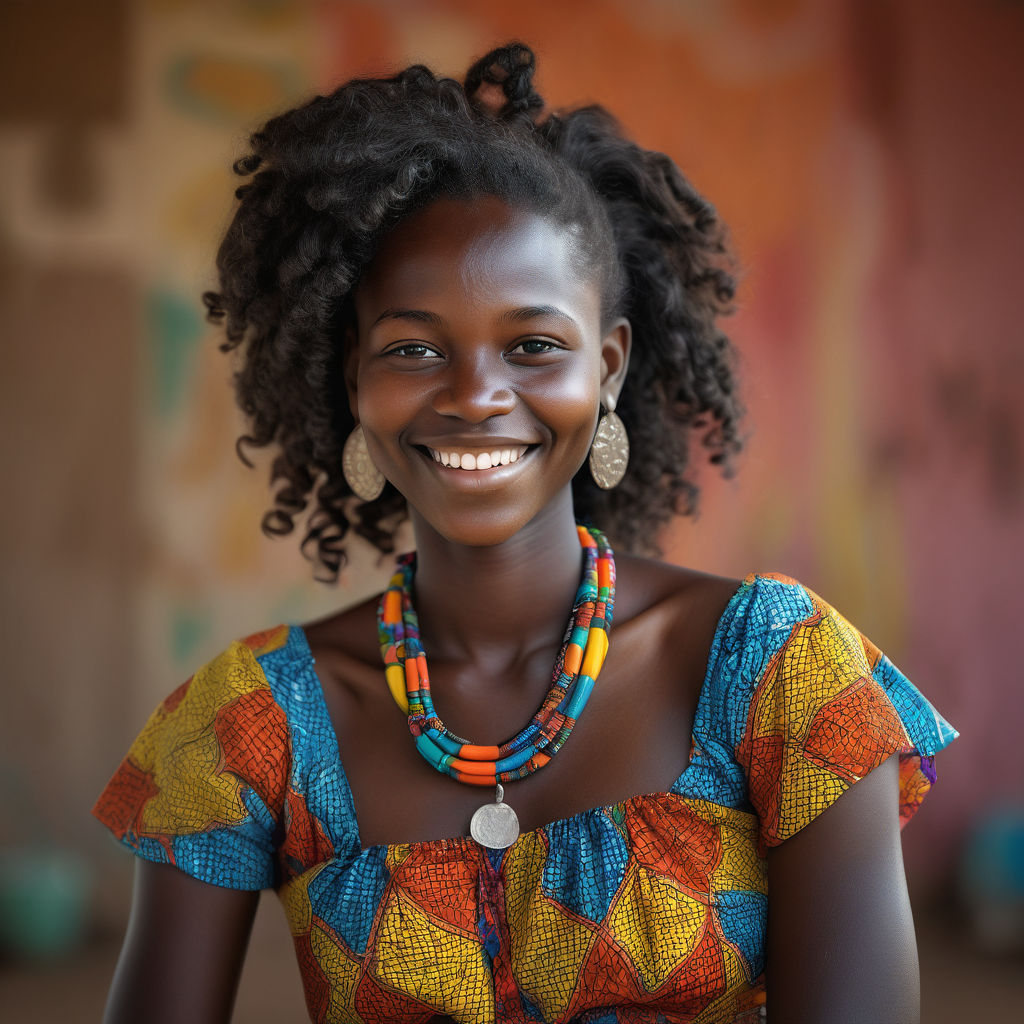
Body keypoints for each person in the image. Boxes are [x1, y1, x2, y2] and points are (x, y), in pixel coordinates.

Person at [93, 42, 958, 1024]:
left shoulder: (778, 674)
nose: (474, 397)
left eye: (533, 346)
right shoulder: (252, 726)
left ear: (611, 367)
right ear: (352, 378)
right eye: (414, 347)